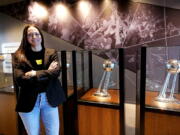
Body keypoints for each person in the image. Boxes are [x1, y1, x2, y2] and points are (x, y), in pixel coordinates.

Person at [12, 25, 66, 135]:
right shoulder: (19, 56)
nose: (34, 36)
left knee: (53, 133)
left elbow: (56, 73)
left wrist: (34, 74)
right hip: (29, 100)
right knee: (33, 133)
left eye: (36, 33)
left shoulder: (51, 53)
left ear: (41, 36)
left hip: (49, 99)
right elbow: (20, 80)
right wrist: (47, 73)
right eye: (30, 34)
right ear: (25, 38)